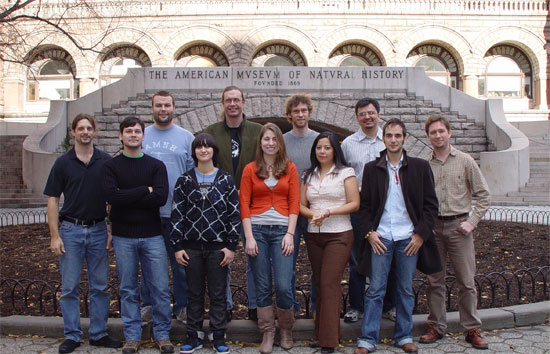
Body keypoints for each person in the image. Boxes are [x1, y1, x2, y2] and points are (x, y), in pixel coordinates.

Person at [354, 118, 440, 354]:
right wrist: (370, 233)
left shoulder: (420, 167)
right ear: (384, 139)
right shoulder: (373, 169)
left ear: (405, 139)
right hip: (381, 238)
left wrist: (420, 235)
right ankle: (367, 339)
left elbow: (431, 206)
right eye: (389, 135)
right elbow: (365, 207)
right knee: (375, 290)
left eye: (398, 136)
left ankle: (403, 336)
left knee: (404, 289)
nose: (393, 140)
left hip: (408, 238)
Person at [44, 114, 122, 354]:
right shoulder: (63, 163)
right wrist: (54, 235)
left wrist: (110, 230)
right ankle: (72, 335)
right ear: (73, 132)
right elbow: (53, 200)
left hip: (99, 229)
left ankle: (98, 334)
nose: (85, 132)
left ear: (94, 132)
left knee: (100, 286)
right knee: (69, 287)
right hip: (70, 230)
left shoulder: (105, 161)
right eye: (81, 128)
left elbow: (113, 200)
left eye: (89, 128)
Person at [102, 116, 173, 354]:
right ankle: (132, 336)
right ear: (120, 136)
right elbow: (112, 197)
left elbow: (160, 198)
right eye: (128, 131)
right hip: (123, 237)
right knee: (128, 288)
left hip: (153, 235)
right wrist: (144, 190)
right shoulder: (111, 166)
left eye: (137, 131)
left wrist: (127, 195)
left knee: (160, 287)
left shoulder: (155, 166)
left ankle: (162, 335)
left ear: (144, 136)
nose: (133, 135)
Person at [420, 114, 491, 350]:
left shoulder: (465, 161)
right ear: (428, 136)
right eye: (433, 132)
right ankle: (436, 326)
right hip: (433, 229)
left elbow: (483, 195)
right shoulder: (423, 165)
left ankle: (472, 328)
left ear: (449, 133)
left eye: (441, 131)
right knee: (434, 281)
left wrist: (472, 221)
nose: (438, 136)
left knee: (466, 281)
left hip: (460, 227)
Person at [170, 133, 241, 354]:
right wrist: (177, 246)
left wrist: (231, 246)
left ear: (213, 151)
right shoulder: (184, 180)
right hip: (190, 247)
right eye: (199, 147)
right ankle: (194, 335)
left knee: (218, 293)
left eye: (207, 147)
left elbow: (234, 215)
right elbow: (177, 213)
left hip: (217, 247)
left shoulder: (225, 180)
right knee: (194, 293)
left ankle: (218, 335)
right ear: (194, 152)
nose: (203, 150)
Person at [240, 123, 300, 354]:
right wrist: (249, 237)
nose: (270, 143)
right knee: (262, 285)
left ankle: (286, 328)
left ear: (280, 143)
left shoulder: (290, 169)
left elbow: (294, 203)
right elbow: (244, 203)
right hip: (257, 231)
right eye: (266, 139)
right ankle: (267, 331)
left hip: (282, 232)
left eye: (274, 139)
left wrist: (290, 234)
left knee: (284, 285)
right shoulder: (250, 169)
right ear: (261, 142)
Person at [205, 86, 263, 321]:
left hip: (253, 203)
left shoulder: (257, 131)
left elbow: (265, 163)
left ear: (243, 102)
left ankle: (256, 305)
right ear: (222, 103)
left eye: (236, 100)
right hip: (221, 205)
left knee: (254, 256)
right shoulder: (211, 132)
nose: (232, 104)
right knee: (222, 257)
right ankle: (224, 305)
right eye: (228, 100)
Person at [300, 132, 360, 354]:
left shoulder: (346, 173)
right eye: (319, 148)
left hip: (339, 234)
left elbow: (355, 203)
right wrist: (311, 215)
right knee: (319, 284)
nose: (322, 151)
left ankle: (329, 341)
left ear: (335, 150)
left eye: (327, 147)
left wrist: (328, 212)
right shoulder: (308, 174)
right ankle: (324, 333)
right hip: (314, 235)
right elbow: (300, 204)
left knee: (328, 283)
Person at [141, 90, 195, 323]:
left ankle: (182, 306)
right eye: (159, 105)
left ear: (174, 108)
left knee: (181, 263)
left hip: (179, 213)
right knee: (150, 263)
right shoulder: (141, 135)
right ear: (152, 108)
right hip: (147, 213)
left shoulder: (186, 137)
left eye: (167, 105)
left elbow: (194, 174)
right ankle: (149, 305)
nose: (163, 109)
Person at [341, 97, 395, 323]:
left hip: (386, 207)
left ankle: (389, 306)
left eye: (371, 113)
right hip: (357, 207)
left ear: (379, 115)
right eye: (362, 114)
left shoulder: (390, 140)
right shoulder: (347, 144)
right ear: (357, 118)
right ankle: (356, 306)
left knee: (387, 255)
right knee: (357, 258)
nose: (367, 117)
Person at [282, 94, 319, 313]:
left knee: (317, 262)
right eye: (296, 111)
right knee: (287, 262)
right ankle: (291, 309)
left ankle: (316, 308)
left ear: (310, 112)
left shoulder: (319, 140)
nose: (300, 114)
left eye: (304, 110)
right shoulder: (282, 141)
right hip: (289, 211)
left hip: (315, 210)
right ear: (289, 115)